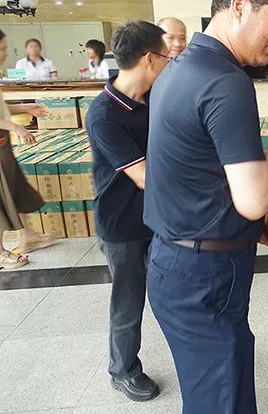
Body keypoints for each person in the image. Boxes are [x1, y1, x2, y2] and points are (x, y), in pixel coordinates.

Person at [144, 0, 268, 414]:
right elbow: (251, 201)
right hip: (204, 275)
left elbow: (200, 169)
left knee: (213, 392)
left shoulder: (177, 69)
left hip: (172, 261)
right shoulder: (226, 83)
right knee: (222, 400)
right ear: (240, 6)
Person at [85, 21, 171, 401]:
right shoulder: (104, 114)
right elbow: (144, 176)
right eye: (166, 57)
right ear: (149, 59)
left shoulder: (151, 98)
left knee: (169, 292)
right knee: (128, 301)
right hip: (121, 224)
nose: (169, 64)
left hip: (156, 217)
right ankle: (122, 370)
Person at [0, 29, 56, 269]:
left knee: (16, 190)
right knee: (2, 196)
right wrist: (15, 126)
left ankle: (28, 236)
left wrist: (24, 108)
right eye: (2, 49)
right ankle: (2, 253)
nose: (5, 53)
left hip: (4, 144)